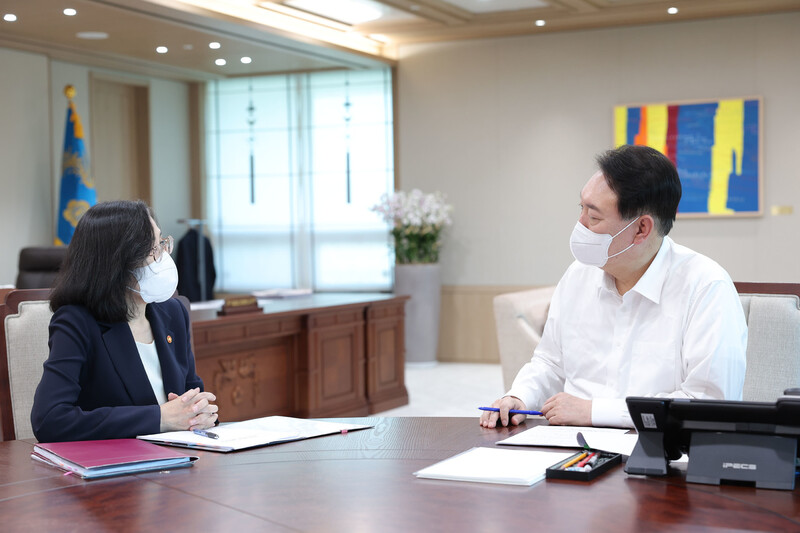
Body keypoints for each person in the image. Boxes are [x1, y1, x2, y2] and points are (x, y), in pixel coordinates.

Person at [481, 145, 747, 429]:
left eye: (593, 217)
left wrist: (595, 412)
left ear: (641, 229)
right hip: (570, 446)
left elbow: (707, 404)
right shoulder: (577, 276)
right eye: (580, 209)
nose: (580, 225)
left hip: (660, 452)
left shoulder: (705, 287)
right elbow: (550, 362)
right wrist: (521, 396)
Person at [31, 200, 218, 442]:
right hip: (115, 468)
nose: (162, 257)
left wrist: (201, 414)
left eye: (162, 244)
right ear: (116, 263)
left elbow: (191, 397)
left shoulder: (173, 312)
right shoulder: (77, 322)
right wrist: (159, 418)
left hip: (180, 462)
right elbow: (49, 420)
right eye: (152, 250)